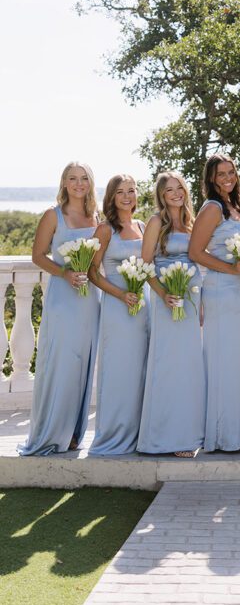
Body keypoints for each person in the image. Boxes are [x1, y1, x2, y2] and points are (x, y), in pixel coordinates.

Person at [19, 162, 100, 456]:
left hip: (90, 299)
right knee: (62, 363)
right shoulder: (53, 215)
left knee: (83, 364)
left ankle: (75, 434)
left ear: (90, 183)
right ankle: (53, 432)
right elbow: (38, 256)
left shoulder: (96, 215)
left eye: (84, 179)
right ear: (64, 183)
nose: (79, 184)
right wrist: (65, 273)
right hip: (63, 299)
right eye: (72, 179)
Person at [189, 154, 240, 452]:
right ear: (212, 179)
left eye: (231, 172)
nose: (228, 177)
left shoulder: (237, 208)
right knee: (223, 362)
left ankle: (238, 433)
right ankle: (221, 434)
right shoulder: (213, 208)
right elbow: (195, 252)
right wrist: (231, 269)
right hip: (221, 291)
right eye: (221, 174)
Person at [137, 171, 205, 458]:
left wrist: (200, 303)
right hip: (166, 301)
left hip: (190, 301)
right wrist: (163, 294)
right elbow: (145, 265)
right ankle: (162, 437)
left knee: (189, 367)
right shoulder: (156, 222)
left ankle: (187, 435)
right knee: (167, 365)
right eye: (169, 190)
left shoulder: (192, 223)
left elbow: (199, 261)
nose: (176, 193)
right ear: (162, 196)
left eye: (179, 188)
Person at [89, 174, 148, 455]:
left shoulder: (142, 226)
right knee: (119, 369)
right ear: (111, 197)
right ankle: (114, 433)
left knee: (140, 370)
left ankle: (138, 432)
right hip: (117, 307)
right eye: (121, 192)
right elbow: (92, 273)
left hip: (143, 307)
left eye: (132, 191)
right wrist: (121, 294)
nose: (127, 196)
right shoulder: (105, 230)